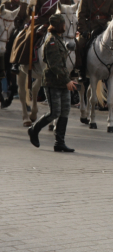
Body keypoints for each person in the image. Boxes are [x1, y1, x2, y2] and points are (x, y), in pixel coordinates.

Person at [27, 14, 78, 152]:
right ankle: (34, 130)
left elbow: (62, 64)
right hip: (52, 82)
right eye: (63, 24)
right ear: (57, 26)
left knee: (65, 111)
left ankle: (59, 142)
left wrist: (69, 79)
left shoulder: (59, 40)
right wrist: (67, 80)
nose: (65, 26)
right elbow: (55, 65)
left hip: (62, 81)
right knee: (54, 112)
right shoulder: (52, 42)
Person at [9, 0, 74, 73]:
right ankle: (19, 62)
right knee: (28, 35)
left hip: (59, 23)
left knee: (73, 39)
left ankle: (76, 68)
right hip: (42, 21)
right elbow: (32, 14)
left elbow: (69, 13)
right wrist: (31, 6)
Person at [75, 0, 113, 78]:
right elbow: (81, 15)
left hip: (105, 27)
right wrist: (83, 30)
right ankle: (79, 69)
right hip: (90, 26)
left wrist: (108, 27)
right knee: (79, 45)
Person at [1, 0, 29, 108]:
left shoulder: (24, 6)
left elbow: (28, 17)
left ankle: (19, 61)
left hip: (18, 29)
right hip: (5, 31)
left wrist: (23, 26)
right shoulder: (5, 5)